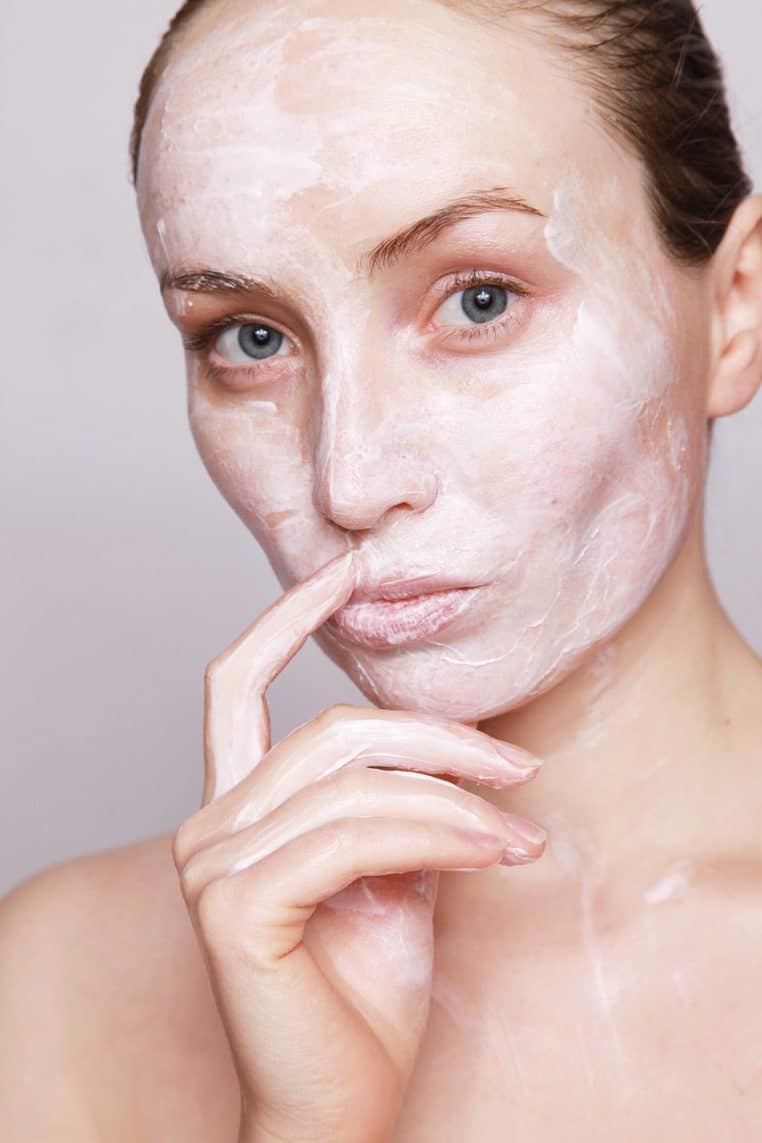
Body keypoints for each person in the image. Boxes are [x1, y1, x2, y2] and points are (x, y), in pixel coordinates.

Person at [2, 0, 762, 1138]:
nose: (347, 480)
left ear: (736, 310)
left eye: (479, 300)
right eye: (249, 337)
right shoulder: (58, 985)